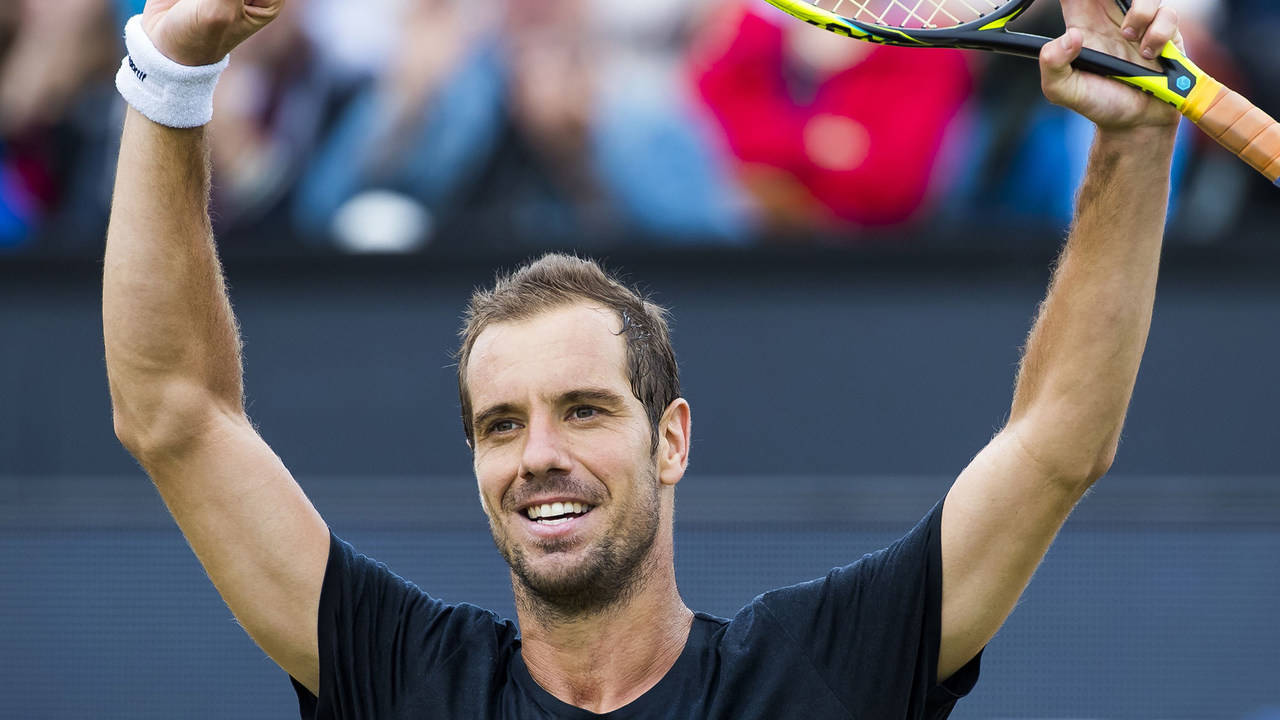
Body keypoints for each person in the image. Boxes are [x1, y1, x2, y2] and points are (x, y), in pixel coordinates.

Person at [102, 0, 1183, 717]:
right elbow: (175, 416)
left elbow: (1057, 442)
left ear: (670, 438)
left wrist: (1129, 149)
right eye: (500, 424)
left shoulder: (815, 673)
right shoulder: (408, 681)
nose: (536, 455)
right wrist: (171, 69)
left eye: (581, 409)